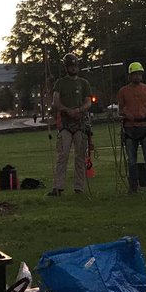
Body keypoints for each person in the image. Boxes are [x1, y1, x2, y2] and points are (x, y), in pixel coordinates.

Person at [49, 53, 92, 196]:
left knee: (80, 157)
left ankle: (79, 188)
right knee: (63, 156)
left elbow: (88, 102)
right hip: (65, 124)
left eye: (75, 65)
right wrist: (68, 110)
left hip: (80, 123)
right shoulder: (60, 83)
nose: (73, 68)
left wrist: (79, 110)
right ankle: (58, 187)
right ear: (66, 67)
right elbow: (55, 102)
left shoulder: (84, 83)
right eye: (71, 65)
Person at [117, 61, 146, 193]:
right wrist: (127, 114)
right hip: (130, 128)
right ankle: (133, 186)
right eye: (135, 74)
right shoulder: (123, 91)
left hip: (145, 127)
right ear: (130, 76)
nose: (137, 76)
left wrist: (145, 113)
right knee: (131, 160)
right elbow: (120, 109)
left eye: (139, 74)